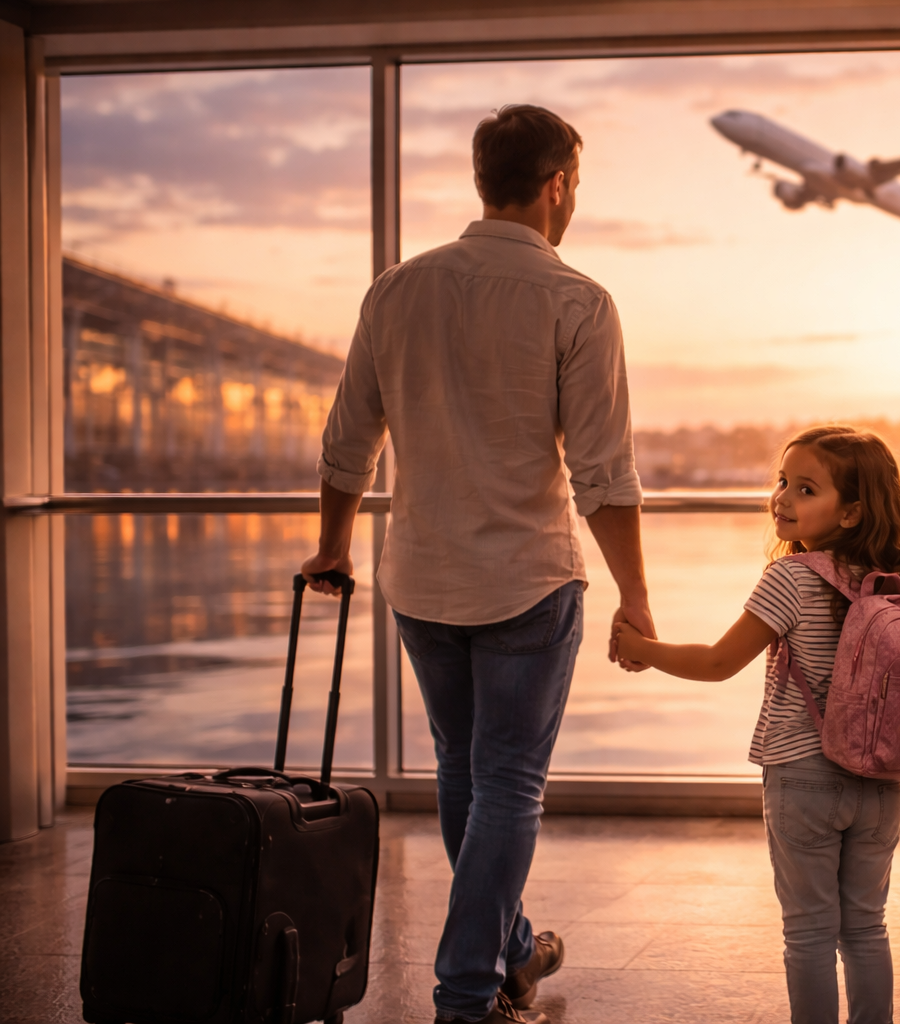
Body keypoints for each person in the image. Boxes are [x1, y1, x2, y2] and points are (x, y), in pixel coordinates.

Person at [301, 104, 655, 1024]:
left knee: (465, 767)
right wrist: (638, 596)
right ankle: (467, 996)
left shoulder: (396, 290)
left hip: (419, 579)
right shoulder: (578, 301)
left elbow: (347, 446)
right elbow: (604, 475)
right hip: (527, 584)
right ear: (558, 185)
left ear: (480, 179)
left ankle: (511, 948)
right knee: (507, 782)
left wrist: (336, 546)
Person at [613, 425, 900, 1024]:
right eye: (783, 481)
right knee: (866, 927)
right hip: (880, 782)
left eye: (806, 488)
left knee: (810, 933)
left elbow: (716, 663)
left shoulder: (790, 579)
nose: (783, 498)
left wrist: (645, 647)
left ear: (850, 513)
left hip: (803, 779)